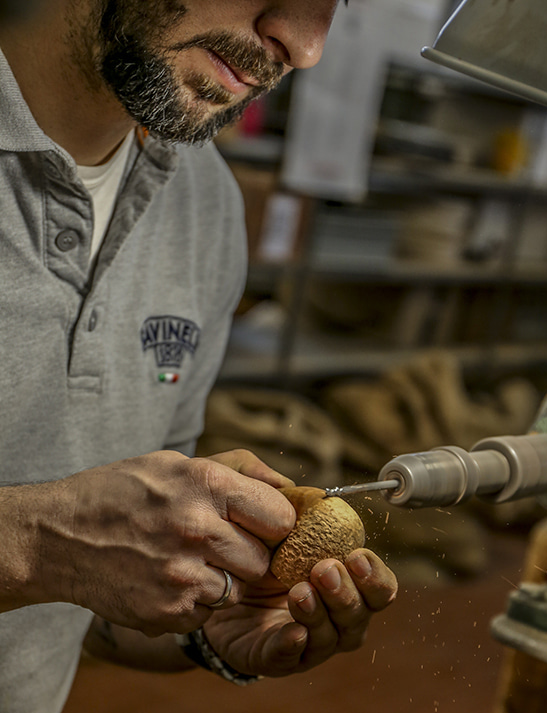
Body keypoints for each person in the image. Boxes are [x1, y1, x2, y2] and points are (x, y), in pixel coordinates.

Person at [0, 1, 398, 711]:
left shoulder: (204, 205)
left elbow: (81, 599)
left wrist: (207, 612)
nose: (303, 47)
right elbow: (55, 554)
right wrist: (41, 541)